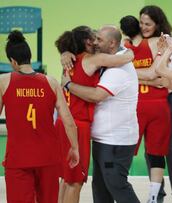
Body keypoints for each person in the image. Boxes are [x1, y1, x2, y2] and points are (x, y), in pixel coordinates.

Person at [55, 25, 134, 203]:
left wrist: (64, 53)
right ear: (86, 41)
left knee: (66, 179)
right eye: (94, 38)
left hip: (63, 122)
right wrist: (129, 52)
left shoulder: (70, 60)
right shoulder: (91, 59)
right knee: (75, 182)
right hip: (77, 125)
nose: (96, 42)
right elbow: (122, 60)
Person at [0, 30, 79, 203]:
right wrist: (75, 148)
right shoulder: (50, 82)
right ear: (29, 57)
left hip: (18, 158)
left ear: (13, 61)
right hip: (48, 158)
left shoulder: (4, 81)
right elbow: (68, 121)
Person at [122, 8, 172, 202]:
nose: (144, 27)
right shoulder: (152, 44)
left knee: (170, 148)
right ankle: (156, 195)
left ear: (158, 24)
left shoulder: (161, 41)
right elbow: (154, 75)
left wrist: (170, 44)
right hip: (158, 100)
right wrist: (149, 79)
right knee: (155, 151)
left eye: (148, 23)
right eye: (141, 23)